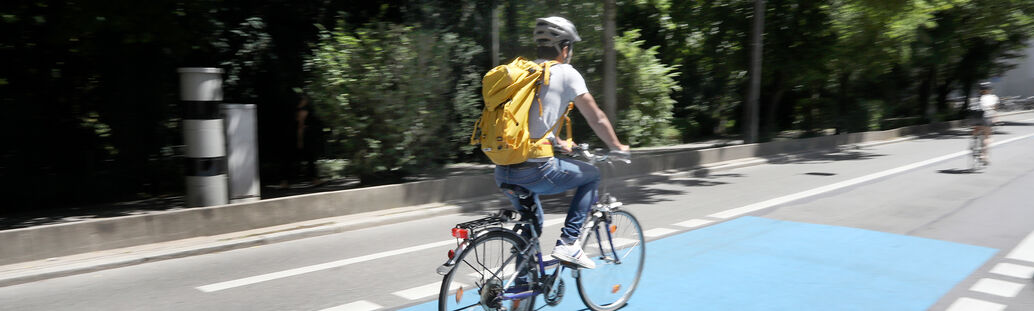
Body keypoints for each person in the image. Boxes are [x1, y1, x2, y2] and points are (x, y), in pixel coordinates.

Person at [493, 16, 630, 269]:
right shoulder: (566, 72)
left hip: (503, 169)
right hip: (536, 170)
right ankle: (569, 243)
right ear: (565, 48)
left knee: (531, 226)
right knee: (591, 176)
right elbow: (596, 117)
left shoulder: (523, 72)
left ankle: (517, 295)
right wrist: (617, 147)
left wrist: (557, 141)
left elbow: (526, 121)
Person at [280, 94, 325, 188]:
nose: (307, 101)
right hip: (300, 138)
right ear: (302, 101)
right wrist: (300, 141)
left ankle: (285, 182)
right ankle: (314, 180)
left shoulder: (293, 110)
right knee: (309, 159)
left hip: (290, 137)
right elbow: (300, 127)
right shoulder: (303, 111)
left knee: (289, 160)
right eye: (305, 99)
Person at [972, 82, 998, 165]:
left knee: (977, 129)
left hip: (975, 118)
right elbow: (994, 110)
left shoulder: (976, 98)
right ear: (989, 90)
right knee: (987, 137)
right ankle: (984, 156)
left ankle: (974, 143)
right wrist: (995, 119)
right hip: (986, 118)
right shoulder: (993, 97)